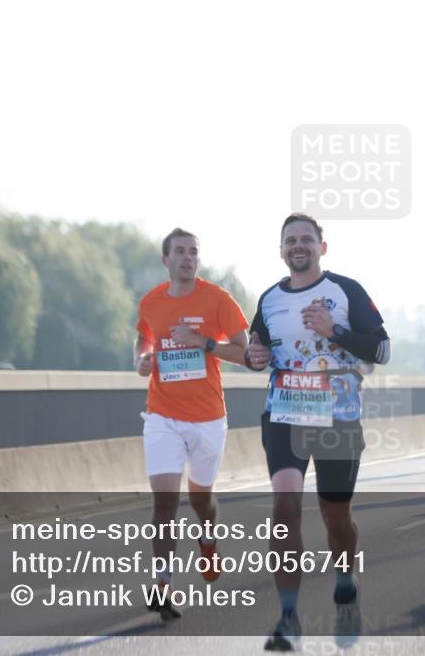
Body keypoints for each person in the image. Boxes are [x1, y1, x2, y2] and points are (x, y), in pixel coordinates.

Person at [245, 213, 390, 650]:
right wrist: (255, 355)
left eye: (307, 239)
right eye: (291, 240)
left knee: (335, 516)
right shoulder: (269, 299)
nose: (298, 246)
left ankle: (345, 584)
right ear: (282, 249)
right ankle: (289, 616)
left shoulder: (345, 290)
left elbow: (381, 349)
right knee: (285, 503)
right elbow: (258, 350)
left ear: (321, 247)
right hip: (285, 413)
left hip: (338, 417)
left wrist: (335, 330)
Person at [133, 228, 250, 620]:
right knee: (165, 501)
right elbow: (144, 340)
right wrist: (143, 358)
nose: (187, 258)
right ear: (165, 260)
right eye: (180, 252)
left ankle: (208, 537)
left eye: (193, 253)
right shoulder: (151, 301)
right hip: (162, 414)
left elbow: (247, 353)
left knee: (201, 501)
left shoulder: (217, 300)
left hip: (207, 419)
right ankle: (162, 585)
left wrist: (202, 341)